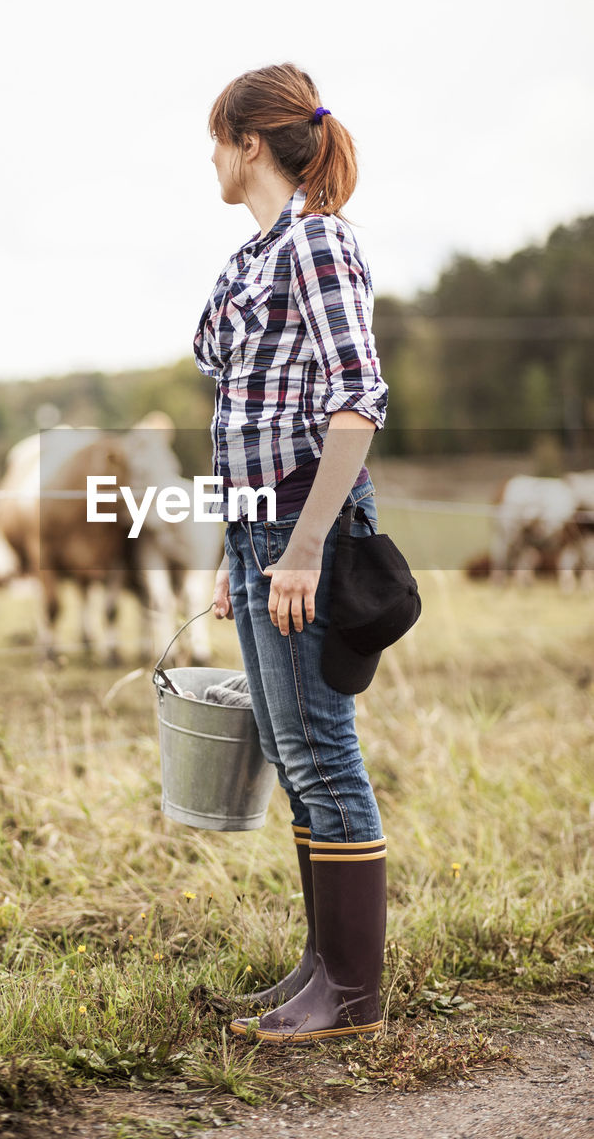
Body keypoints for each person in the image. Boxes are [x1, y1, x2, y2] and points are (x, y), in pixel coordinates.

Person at [192, 63, 389, 1043]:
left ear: (250, 144)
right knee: (289, 750)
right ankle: (321, 967)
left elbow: (357, 400)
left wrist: (303, 546)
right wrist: (229, 555)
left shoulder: (318, 244)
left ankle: (352, 992)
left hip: (301, 529)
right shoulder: (250, 257)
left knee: (320, 748)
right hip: (254, 528)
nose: (211, 160)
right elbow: (235, 405)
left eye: (216, 141)